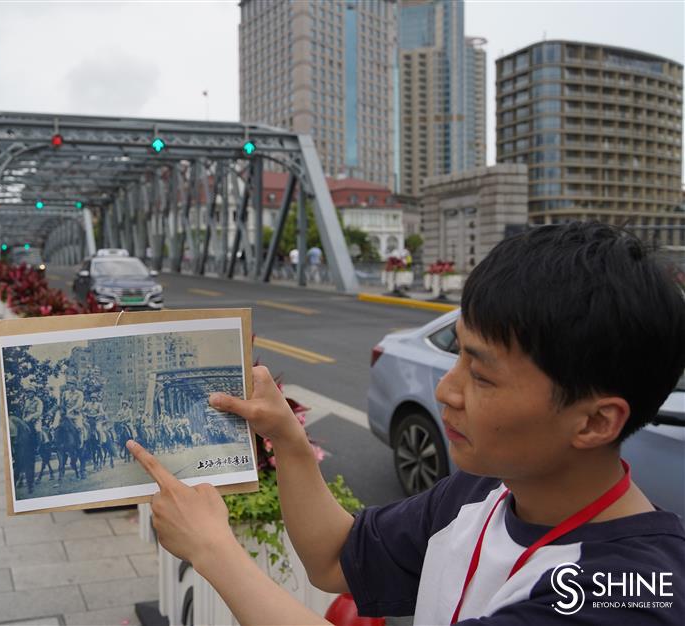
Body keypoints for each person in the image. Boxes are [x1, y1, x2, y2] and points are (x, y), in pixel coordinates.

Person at [127, 222, 685, 625]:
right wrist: (287, 438)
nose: (446, 390)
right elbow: (335, 560)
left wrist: (215, 552)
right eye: (457, 356)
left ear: (594, 422)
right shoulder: (485, 492)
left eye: (482, 377)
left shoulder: (634, 594)